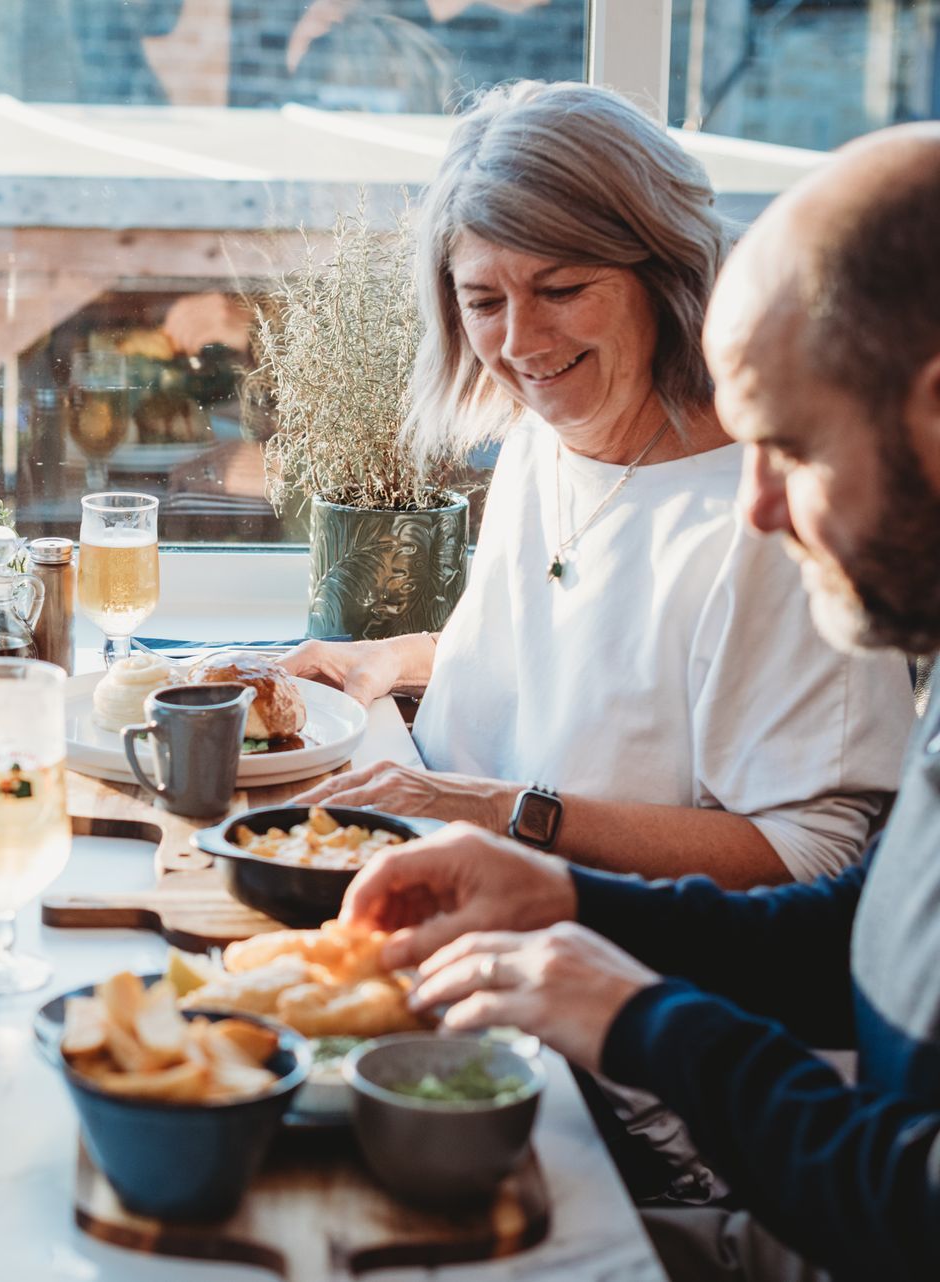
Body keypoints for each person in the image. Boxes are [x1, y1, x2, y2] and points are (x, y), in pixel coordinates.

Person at [341, 122, 940, 1282]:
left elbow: (909, 1209)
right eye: (485, 298)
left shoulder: (770, 544)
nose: (757, 503)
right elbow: (871, 926)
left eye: (795, 447)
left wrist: (637, 1015)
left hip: (766, 1194)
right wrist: (563, 894)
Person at [281, 81, 912, 889]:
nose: (519, 342)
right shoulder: (542, 441)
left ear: (667, 274)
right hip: (437, 897)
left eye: (562, 290)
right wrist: (389, 660)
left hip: (600, 964)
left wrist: (491, 810)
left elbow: (815, 856)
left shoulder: (779, 518)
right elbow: (588, 678)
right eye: (482, 301)